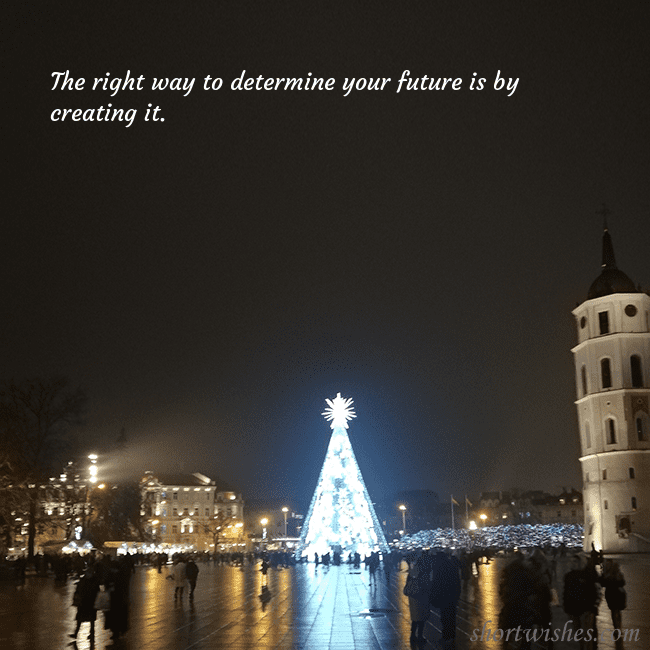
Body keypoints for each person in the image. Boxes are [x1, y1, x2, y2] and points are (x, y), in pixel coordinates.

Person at [430, 552, 462, 649]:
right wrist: (457, 595)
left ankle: (446, 636)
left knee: (445, 617)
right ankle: (451, 636)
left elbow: (436, 584)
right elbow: (457, 582)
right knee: (451, 617)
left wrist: (433, 596)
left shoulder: (438, 568)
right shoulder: (451, 566)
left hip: (444, 597)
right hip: (451, 597)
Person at [405, 552, 433, 644]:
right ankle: (419, 636)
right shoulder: (424, 574)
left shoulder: (412, 572)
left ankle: (413, 635)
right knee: (421, 619)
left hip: (413, 598)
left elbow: (407, 585)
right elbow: (427, 586)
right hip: (422, 598)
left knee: (415, 618)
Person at [70, 568, 100, 642]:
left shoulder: (89, 581)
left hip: (89, 603)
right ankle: (77, 633)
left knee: (89, 620)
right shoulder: (92, 581)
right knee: (83, 619)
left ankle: (90, 634)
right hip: (85, 603)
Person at [600, 559, 626, 630]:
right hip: (611, 594)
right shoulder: (607, 573)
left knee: (616, 611)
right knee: (615, 611)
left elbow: (622, 582)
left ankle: (617, 627)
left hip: (616, 594)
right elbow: (602, 583)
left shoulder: (616, 573)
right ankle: (617, 627)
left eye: (609, 564)